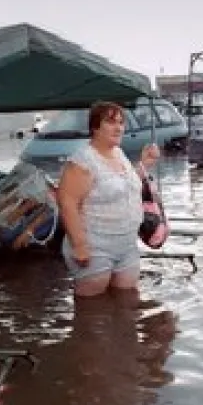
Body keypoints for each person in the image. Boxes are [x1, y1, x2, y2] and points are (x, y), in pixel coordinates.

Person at [57, 101, 160, 298]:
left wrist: (145, 164)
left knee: (127, 301)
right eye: (111, 122)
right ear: (95, 127)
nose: (119, 127)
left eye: (121, 122)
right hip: (95, 245)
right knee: (92, 310)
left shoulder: (118, 153)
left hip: (126, 244)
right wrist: (79, 246)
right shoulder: (83, 160)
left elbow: (123, 186)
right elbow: (67, 202)